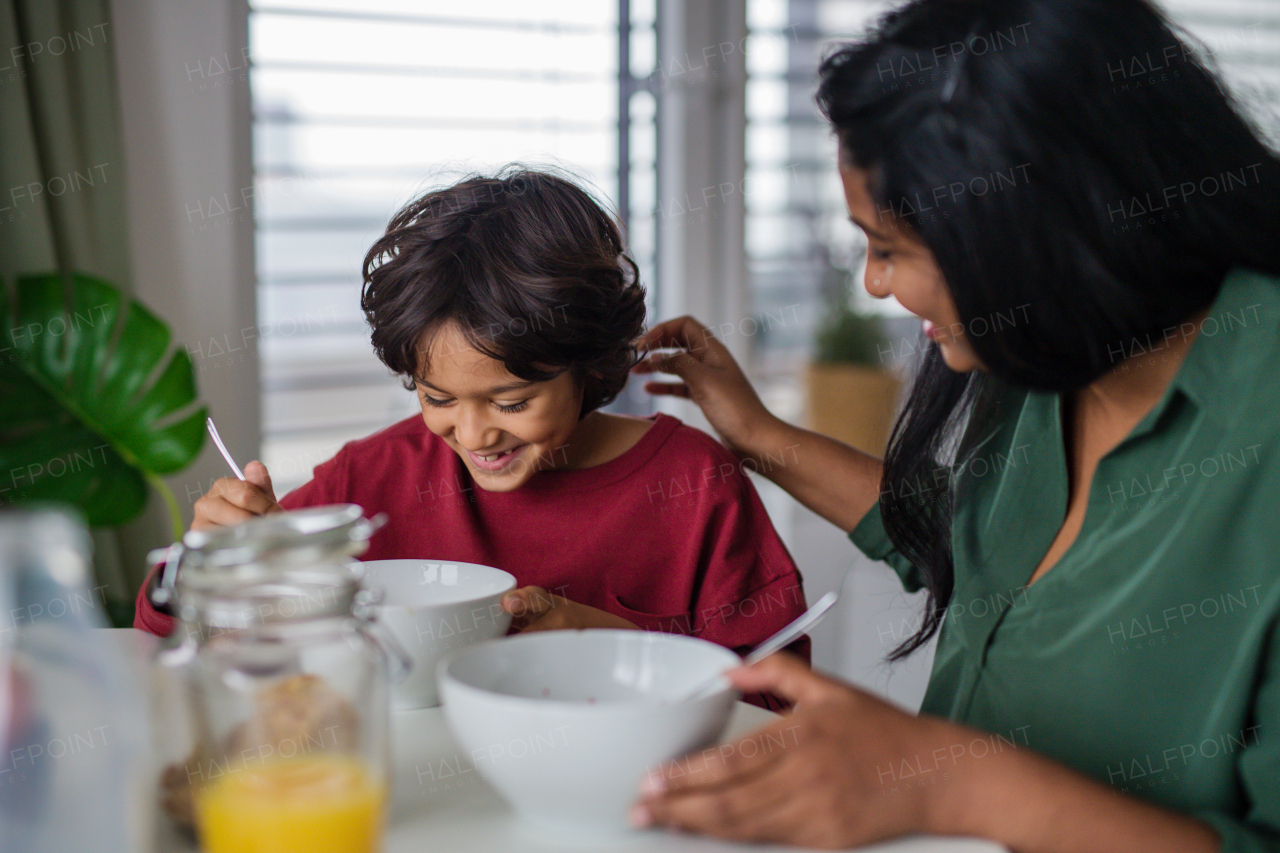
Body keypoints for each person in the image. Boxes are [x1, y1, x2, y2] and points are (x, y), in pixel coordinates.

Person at [629, 0, 1280, 848]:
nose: (872, 284)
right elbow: (976, 549)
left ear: (1042, 227)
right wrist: (757, 436)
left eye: (891, 248)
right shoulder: (1053, 346)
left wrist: (948, 777)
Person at [134, 168, 808, 709]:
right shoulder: (370, 478)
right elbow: (167, 638)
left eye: (511, 401)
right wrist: (204, 565)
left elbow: (782, 699)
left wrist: (607, 636)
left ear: (594, 365)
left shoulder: (694, 485)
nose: (475, 432)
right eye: (437, 397)